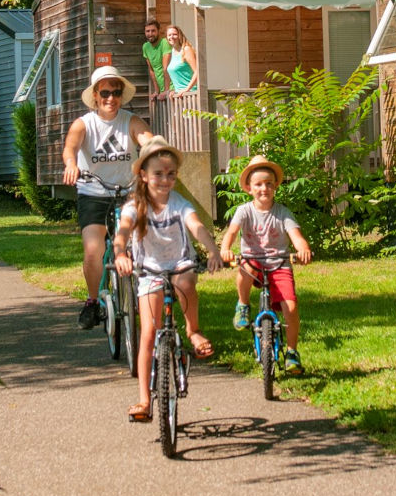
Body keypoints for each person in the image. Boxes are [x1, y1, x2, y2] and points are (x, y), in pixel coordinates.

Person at [112, 136, 222, 421]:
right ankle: (144, 400)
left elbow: (196, 226)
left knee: (185, 282)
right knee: (148, 332)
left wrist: (212, 250)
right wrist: (121, 254)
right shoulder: (135, 205)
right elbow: (123, 231)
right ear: (144, 175)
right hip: (149, 268)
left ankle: (193, 330)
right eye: (158, 174)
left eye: (171, 174)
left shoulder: (179, 203)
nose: (165, 179)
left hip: (179, 262)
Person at [61, 64, 153, 328]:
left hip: (129, 192)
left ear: (121, 95)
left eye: (116, 92)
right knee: (93, 250)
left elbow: (146, 138)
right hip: (94, 192)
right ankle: (92, 302)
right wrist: (71, 164)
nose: (110, 98)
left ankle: (148, 293)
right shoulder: (84, 124)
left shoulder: (130, 120)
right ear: (95, 97)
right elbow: (71, 147)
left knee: (142, 244)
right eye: (105, 93)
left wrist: (156, 150)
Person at [219, 154, 313, 376]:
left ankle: (292, 352)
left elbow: (296, 236)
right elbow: (231, 233)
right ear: (249, 188)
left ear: (276, 187)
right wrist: (225, 249)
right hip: (254, 262)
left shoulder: (282, 213)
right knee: (245, 267)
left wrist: (302, 249)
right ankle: (242, 304)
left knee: (290, 307)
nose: (264, 188)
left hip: (279, 264)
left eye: (269, 184)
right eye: (258, 184)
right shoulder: (244, 211)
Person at [164, 24, 199, 94]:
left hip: (191, 94)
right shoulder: (172, 51)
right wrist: (173, 90)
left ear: (179, 35)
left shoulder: (186, 50)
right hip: (179, 96)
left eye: (174, 34)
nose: (172, 37)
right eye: (169, 35)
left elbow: (197, 72)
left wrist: (187, 89)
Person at [141, 18, 172, 98]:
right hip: (162, 90)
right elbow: (152, 70)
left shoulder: (164, 43)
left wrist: (166, 90)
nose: (150, 34)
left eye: (153, 31)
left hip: (172, 88)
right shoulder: (145, 47)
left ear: (158, 31)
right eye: (147, 31)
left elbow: (166, 68)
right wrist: (156, 91)